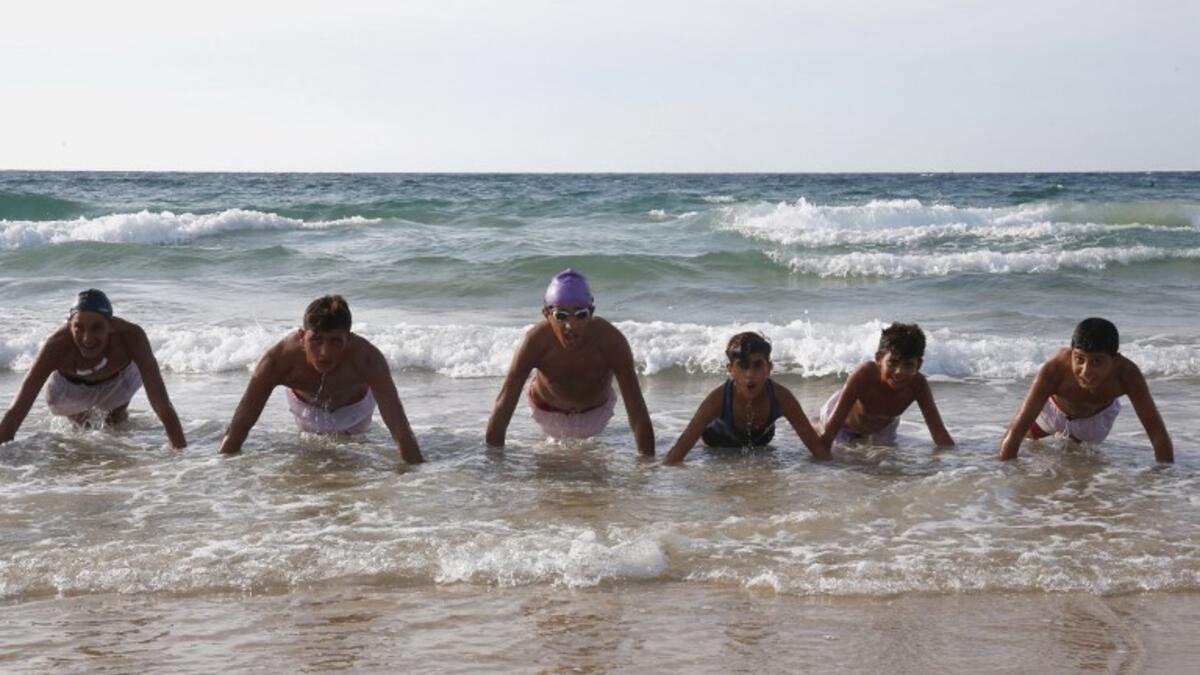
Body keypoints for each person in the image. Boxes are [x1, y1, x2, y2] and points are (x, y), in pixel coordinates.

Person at [218, 295, 423, 463]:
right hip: (305, 407)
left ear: (349, 339)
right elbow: (240, 424)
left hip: (356, 409)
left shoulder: (368, 359)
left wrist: (415, 481)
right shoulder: (277, 361)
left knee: (354, 457)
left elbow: (400, 430)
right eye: (316, 340)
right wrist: (219, 472)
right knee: (311, 461)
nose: (324, 353)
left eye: (335, 341)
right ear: (301, 336)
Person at [486, 268, 655, 455]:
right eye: (561, 316)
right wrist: (493, 463)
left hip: (597, 413)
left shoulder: (611, 342)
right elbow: (503, 405)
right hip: (546, 411)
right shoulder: (535, 342)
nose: (570, 326)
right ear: (547, 314)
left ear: (591, 313)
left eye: (581, 314)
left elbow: (638, 412)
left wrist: (646, 470)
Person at [0, 289, 186, 448]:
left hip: (118, 380)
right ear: (69, 325)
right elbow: (16, 411)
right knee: (82, 431)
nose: (87, 338)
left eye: (97, 327)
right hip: (68, 391)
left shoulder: (132, 337)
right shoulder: (56, 345)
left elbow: (162, 405)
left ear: (111, 325)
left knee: (116, 424)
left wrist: (180, 455)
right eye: (78, 328)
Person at [999, 317, 1172, 462]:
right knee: (1027, 439)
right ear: (1071, 352)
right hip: (1054, 412)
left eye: (1097, 362)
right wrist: (1003, 480)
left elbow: (1157, 434)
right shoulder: (1054, 369)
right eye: (1079, 359)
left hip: (1096, 421)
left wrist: (1164, 482)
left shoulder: (1128, 375)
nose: (1086, 371)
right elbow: (1016, 430)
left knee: (1079, 466)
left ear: (1115, 360)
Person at [663, 332, 829, 464]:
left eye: (757, 365)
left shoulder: (781, 398)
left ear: (769, 368)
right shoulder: (717, 400)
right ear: (730, 369)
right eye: (742, 366)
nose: (750, 375)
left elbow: (818, 451)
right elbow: (677, 454)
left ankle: (817, 423)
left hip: (760, 445)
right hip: (717, 448)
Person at [817, 322, 954, 448]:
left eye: (908, 365)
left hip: (883, 428)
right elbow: (829, 434)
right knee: (843, 459)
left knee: (886, 466)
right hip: (843, 423)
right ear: (879, 358)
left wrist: (958, 466)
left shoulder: (918, 385)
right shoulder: (865, 374)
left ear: (918, 365)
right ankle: (815, 424)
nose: (899, 372)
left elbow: (939, 434)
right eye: (893, 362)